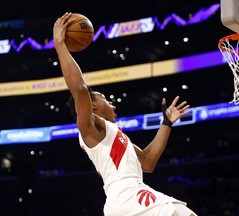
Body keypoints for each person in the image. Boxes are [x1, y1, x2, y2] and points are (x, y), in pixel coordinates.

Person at [53, 12, 197, 216]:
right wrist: (60, 44)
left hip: (127, 198)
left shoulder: (114, 136)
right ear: (92, 106)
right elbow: (79, 89)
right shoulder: (90, 129)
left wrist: (166, 123)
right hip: (127, 195)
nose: (111, 102)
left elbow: (147, 162)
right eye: (104, 98)